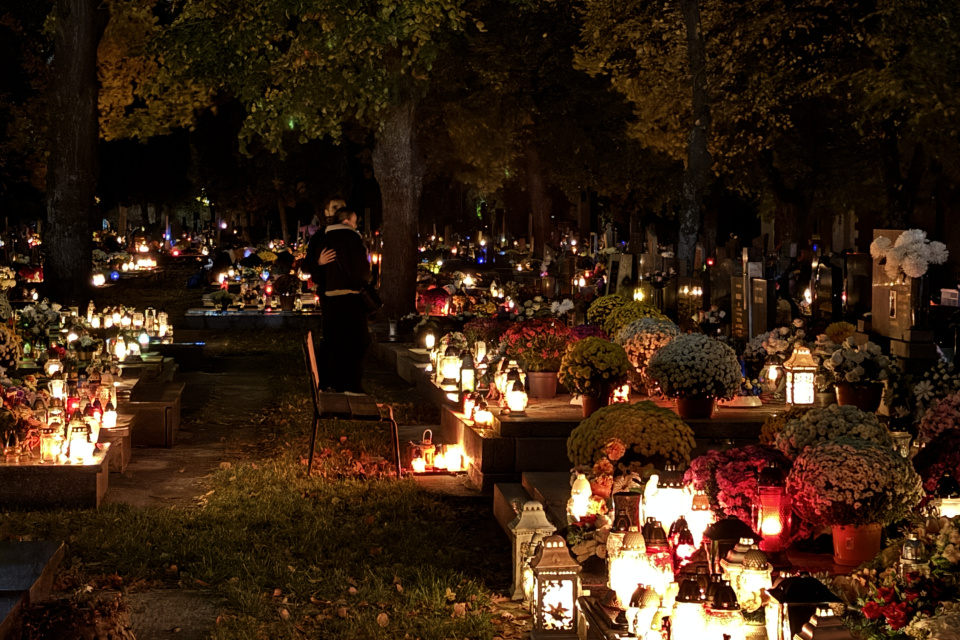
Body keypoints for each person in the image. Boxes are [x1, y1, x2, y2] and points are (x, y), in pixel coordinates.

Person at [317, 208, 371, 393]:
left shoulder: (323, 238)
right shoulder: (353, 239)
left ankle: (328, 382)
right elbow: (362, 269)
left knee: (333, 341)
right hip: (351, 297)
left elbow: (312, 268)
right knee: (356, 341)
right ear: (347, 221)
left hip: (330, 297)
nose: (356, 225)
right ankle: (350, 383)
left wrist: (320, 264)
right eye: (355, 221)